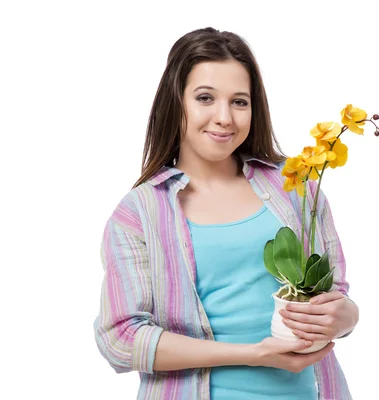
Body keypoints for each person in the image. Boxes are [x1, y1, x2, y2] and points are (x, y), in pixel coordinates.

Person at [94, 27, 359, 400]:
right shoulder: (139, 213)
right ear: (177, 102)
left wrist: (347, 317)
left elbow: (336, 297)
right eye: (205, 98)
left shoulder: (296, 187)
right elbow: (120, 339)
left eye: (239, 101)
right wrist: (253, 356)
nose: (224, 117)